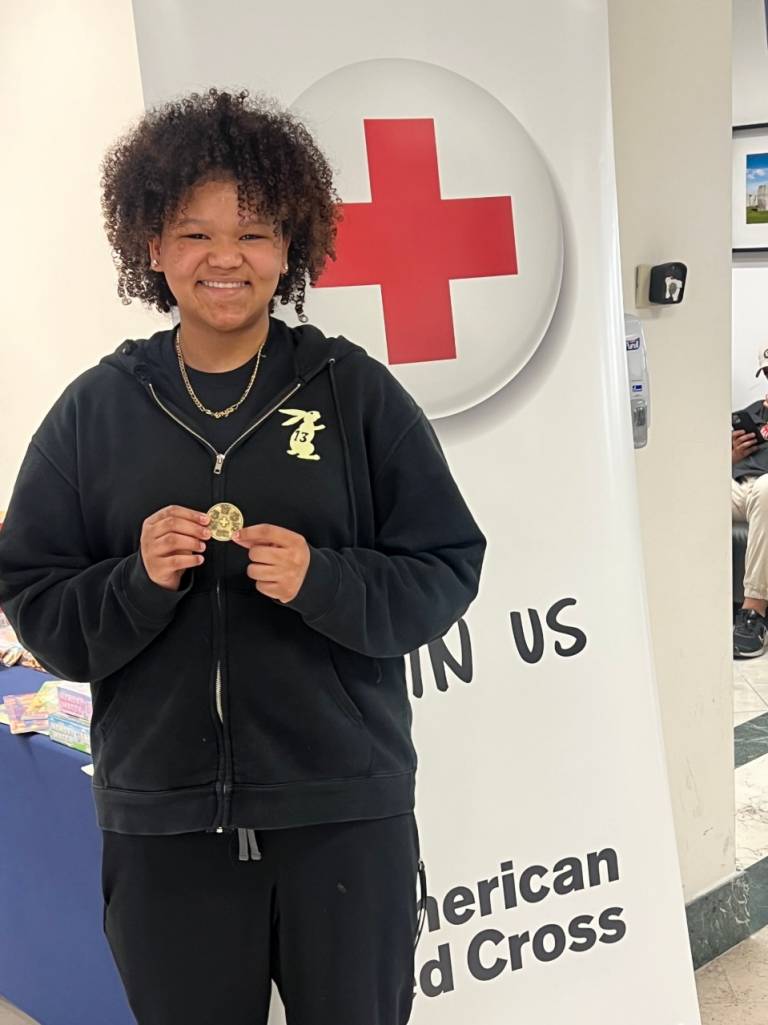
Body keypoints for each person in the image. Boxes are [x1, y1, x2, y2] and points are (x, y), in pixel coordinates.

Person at [0, 89, 486, 1025]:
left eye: (256, 233)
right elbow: (39, 601)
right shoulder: (95, 411)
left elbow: (445, 565)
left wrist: (326, 579)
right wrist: (134, 582)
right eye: (194, 233)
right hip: (163, 824)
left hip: (343, 815)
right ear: (151, 246)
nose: (226, 258)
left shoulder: (354, 393)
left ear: (291, 247)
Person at [732, 346, 768, 658]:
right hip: (738, 486)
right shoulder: (751, 412)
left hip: (766, 490)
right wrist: (730, 456)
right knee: (695, 487)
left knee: (767, 488)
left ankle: (754, 614)